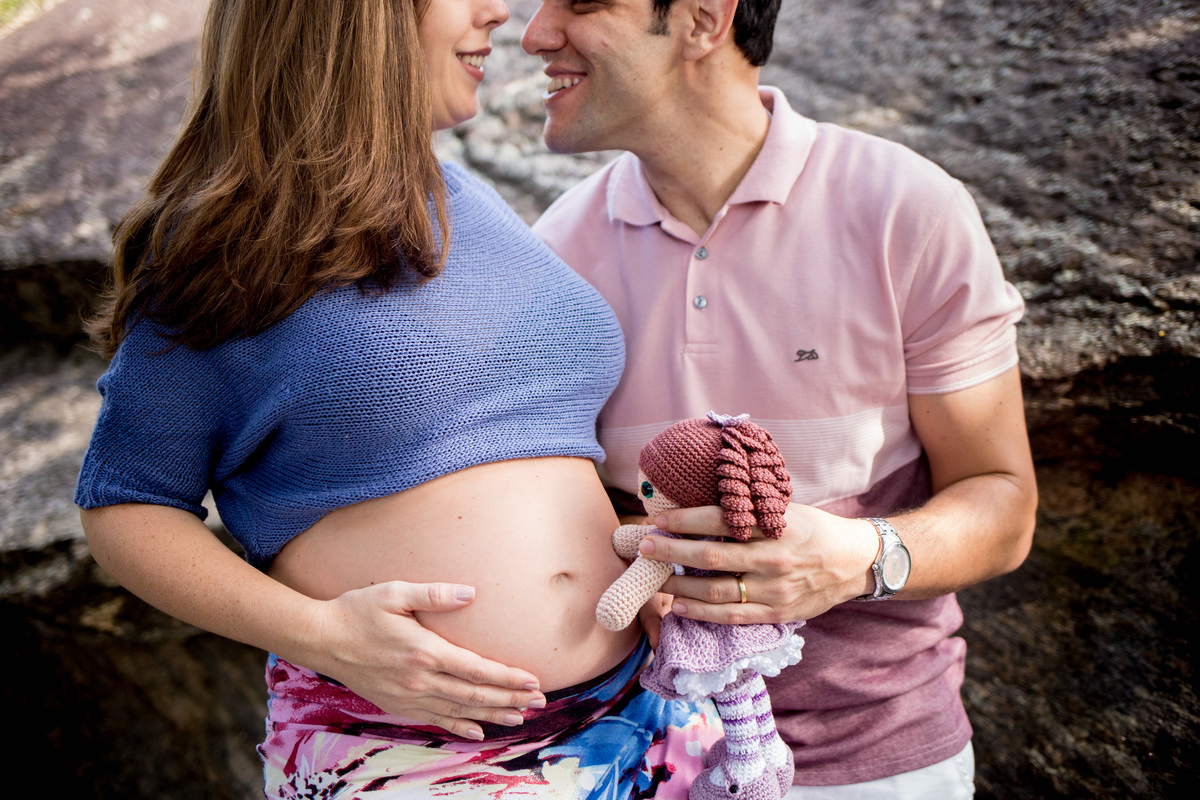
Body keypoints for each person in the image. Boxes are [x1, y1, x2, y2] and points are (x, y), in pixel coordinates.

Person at [74, 0, 719, 797]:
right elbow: (125, 505)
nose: (500, 11)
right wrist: (319, 634)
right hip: (413, 750)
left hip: (641, 716)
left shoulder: (470, 201)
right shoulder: (236, 235)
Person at [522, 1, 1039, 798]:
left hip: (887, 762)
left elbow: (1003, 506)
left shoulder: (907, 209)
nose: (536, 33)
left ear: (701, 18)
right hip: (640, 761)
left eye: (582, 2)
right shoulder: (557, 256)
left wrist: (856, 559)